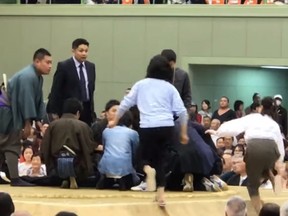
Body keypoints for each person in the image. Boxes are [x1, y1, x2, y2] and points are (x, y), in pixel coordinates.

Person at [108, 55, 189, 207]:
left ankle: (146, 169)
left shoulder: (141, 84)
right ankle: (161, 195)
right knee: (161, 160)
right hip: (166, 126)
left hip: (147, 126)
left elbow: (125, 104)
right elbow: (182, 112)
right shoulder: (169, 87)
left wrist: (115, 120)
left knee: (140, 156)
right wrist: (184, 133)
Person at [206, 97, 285, 214]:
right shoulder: (274, 124)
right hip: (272, 150)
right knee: (264, 168)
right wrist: (279, 163)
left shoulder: (253, 117)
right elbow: (280, 144)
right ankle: (274, 181)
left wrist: (217, 132)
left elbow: (233, 126)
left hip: (255, 148)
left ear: (261, 107)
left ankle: (260, 213)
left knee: (252, 187)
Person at [0, 48, 52, 186]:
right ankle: (15, 178)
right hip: (6, 111)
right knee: (11, 144)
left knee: (2, 144)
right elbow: (26, 100)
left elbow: (37, 101)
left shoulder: (36, 77)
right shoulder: (28, 76)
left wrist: (39, 122)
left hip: (9, 110)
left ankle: (12, 177)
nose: (50, 66)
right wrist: (27, 124)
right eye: (47, 62)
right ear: (37, 61)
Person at [41, 98, 97, 189]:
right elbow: (89, 147)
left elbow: (44, 148)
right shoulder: (83, 126)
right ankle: (72, 176)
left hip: (56, 165)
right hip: (77, 165)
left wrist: (48, 163)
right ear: (78, 113)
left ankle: (65, 178)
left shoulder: (52, 125)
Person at [47, 38, 96, 125]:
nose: (84, 53)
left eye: (86, 51)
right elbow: (56, 90)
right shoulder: (64, 66)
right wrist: (54, 112)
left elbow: (91, 90)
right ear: (73, 50)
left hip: (87, 109)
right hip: (69, 111)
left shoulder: (91, 67)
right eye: (81, 51)